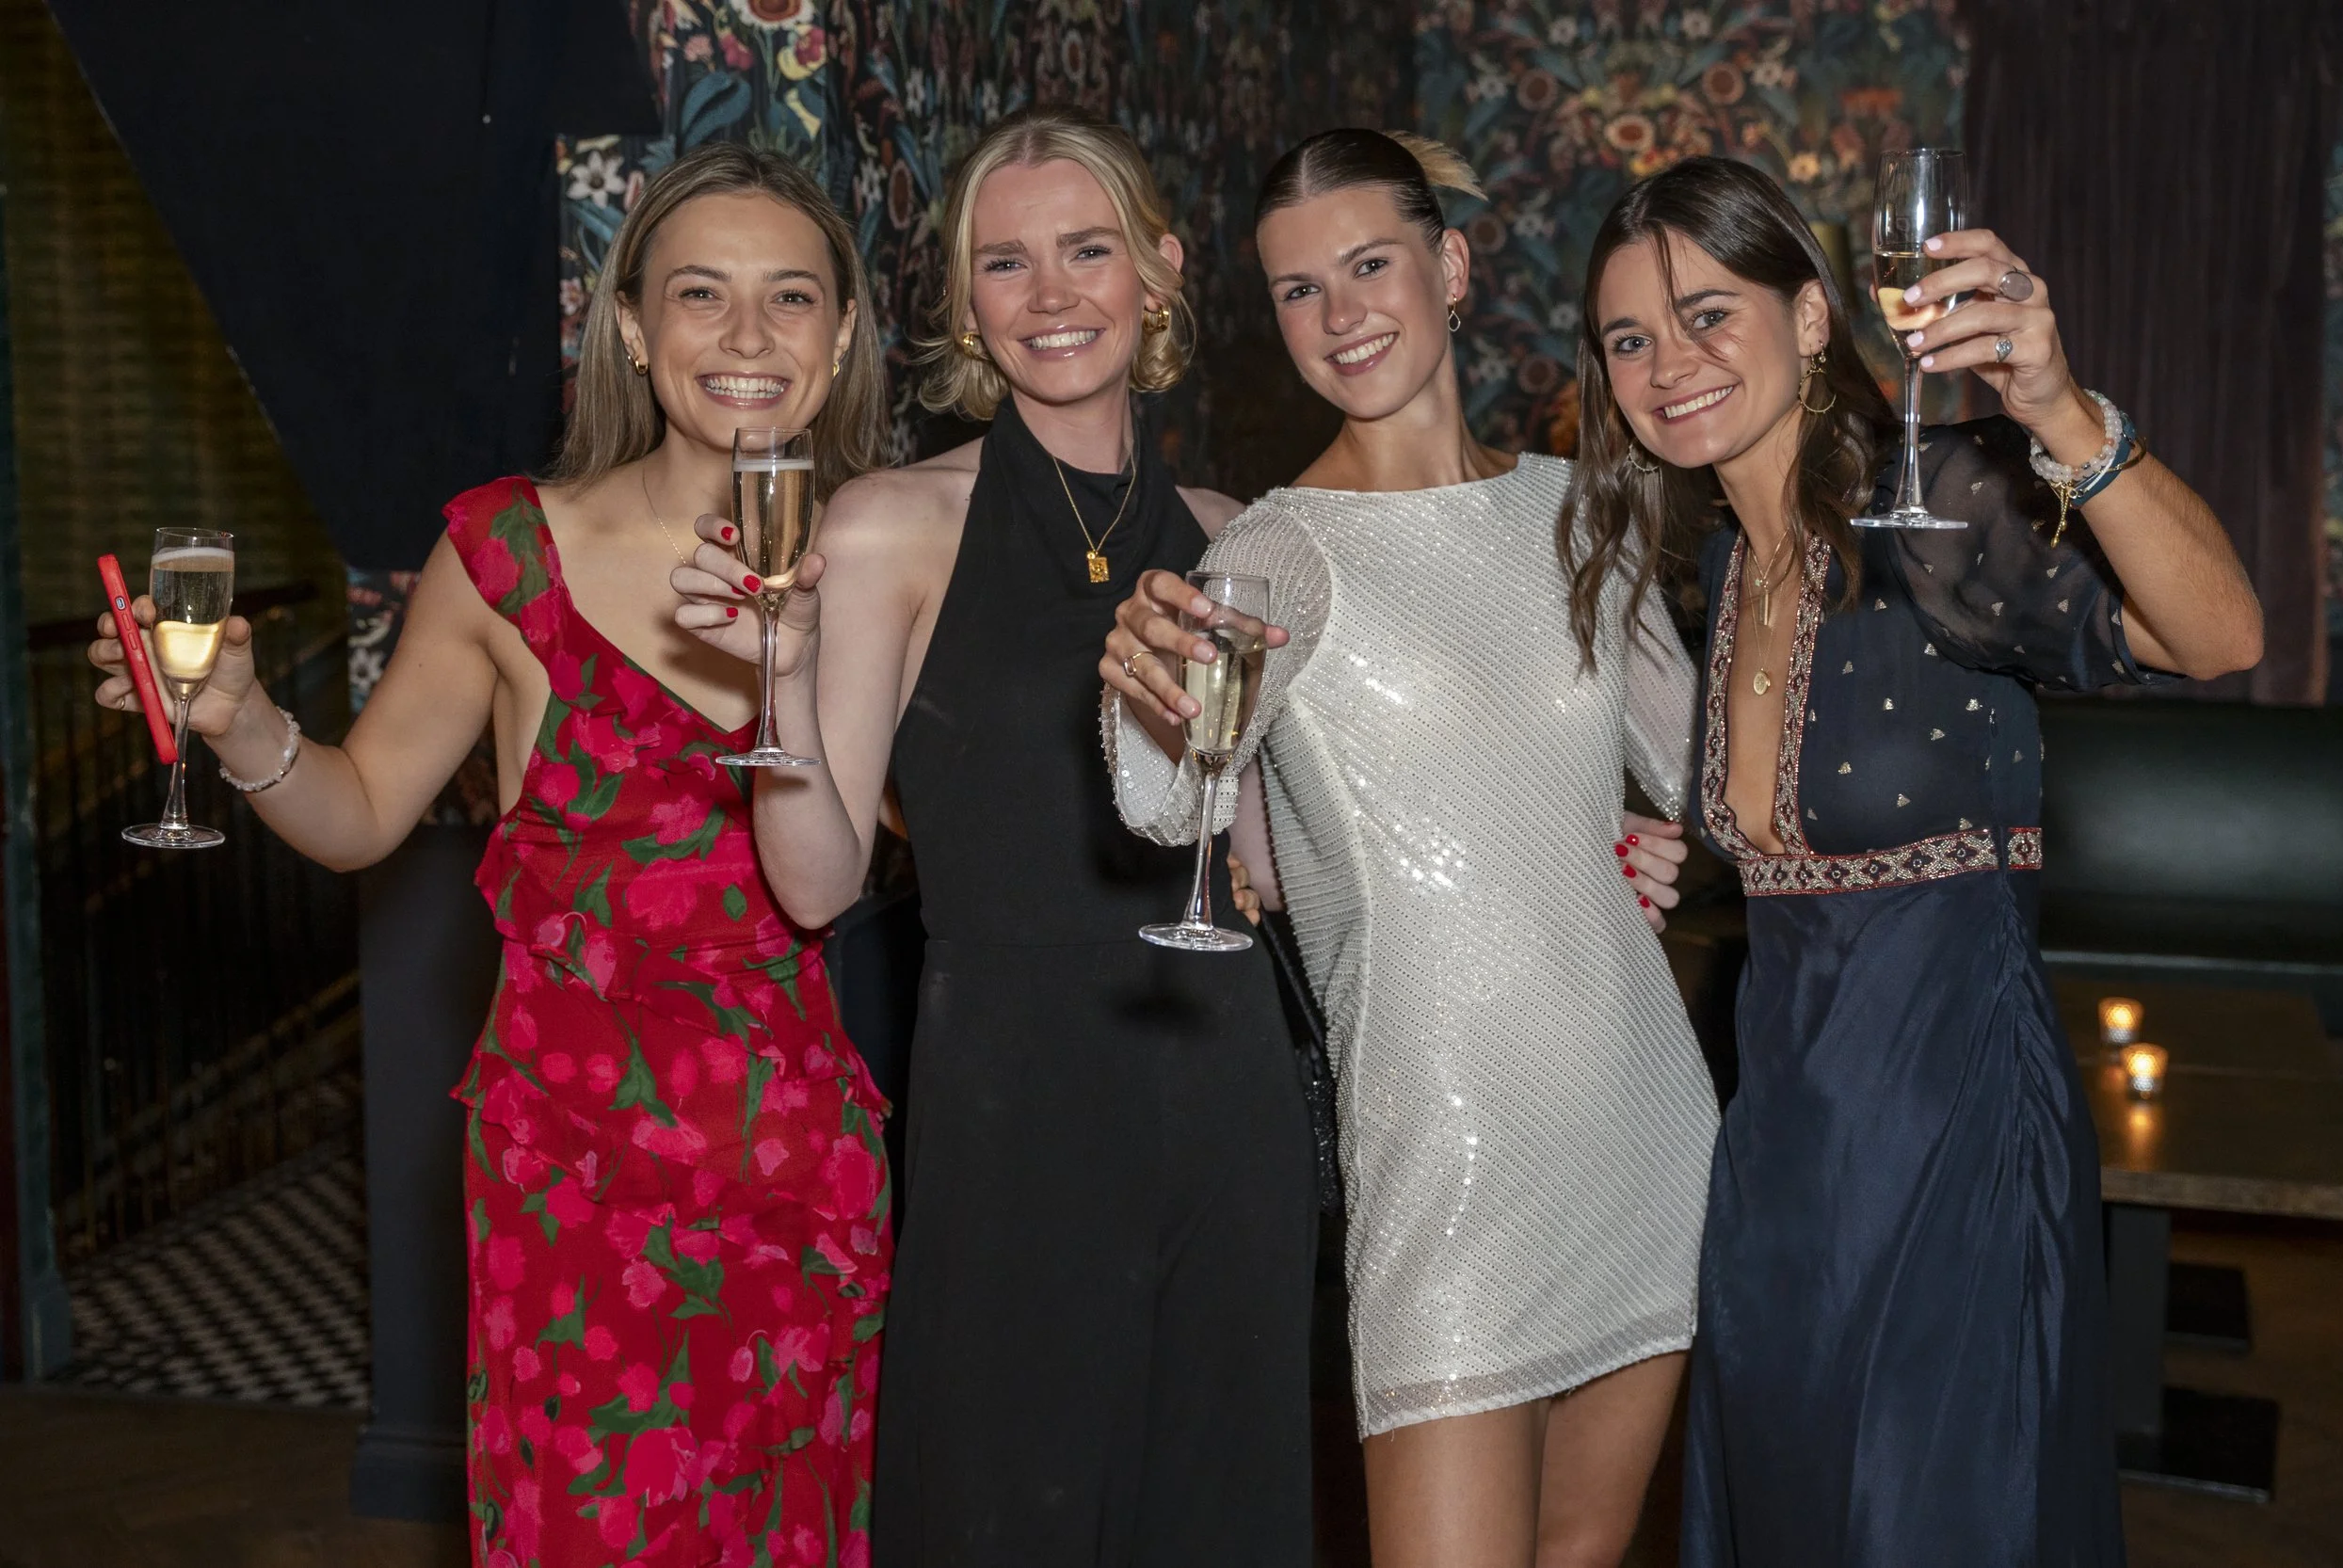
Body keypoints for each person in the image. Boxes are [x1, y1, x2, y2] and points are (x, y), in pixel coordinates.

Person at [90, 144, 895, 1566]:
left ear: (839, 340)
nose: (750, 337)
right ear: (635, 330)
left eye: (792, 299)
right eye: (701, 295)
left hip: (791, 1175)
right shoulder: (510, 551)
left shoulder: (885, 558)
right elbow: (358, 814)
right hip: (573, 1185)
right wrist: (243, 715)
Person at [1574, 156, 2263, 1565]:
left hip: (1950, 1144)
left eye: (1711, 313)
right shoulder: (1718, 565)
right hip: (1779, 1166)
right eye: (1630, 338)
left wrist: (2060, 412)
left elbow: (2222, 635)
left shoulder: (1939, 509)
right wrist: (1655, 850)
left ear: (1814, 317)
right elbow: (1796, 841)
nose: (1669, 365)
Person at [664, 106, 1323, 1566]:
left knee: (1223, 1513)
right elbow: (818, 880)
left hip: (1227, 1101)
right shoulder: (892, 523)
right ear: (965, 301)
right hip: (1015, 1108)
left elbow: (1271, 866)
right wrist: (776, 671)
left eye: (1088, 250)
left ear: (1155, 271)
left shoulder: (1233, 533)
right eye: (1006, 263)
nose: (1051, 295)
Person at [1100, 128, 1716, 1568]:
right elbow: (1167, 805)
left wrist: (1639, 838)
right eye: (1299, 290)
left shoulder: (1577, 509)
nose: (1342, 313)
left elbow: (1708, 767)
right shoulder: (1276, 550)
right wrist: (1138, 685)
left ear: (1448, 265)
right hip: (1440, 1158)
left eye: (1370, 264)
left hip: (1639, 1119)